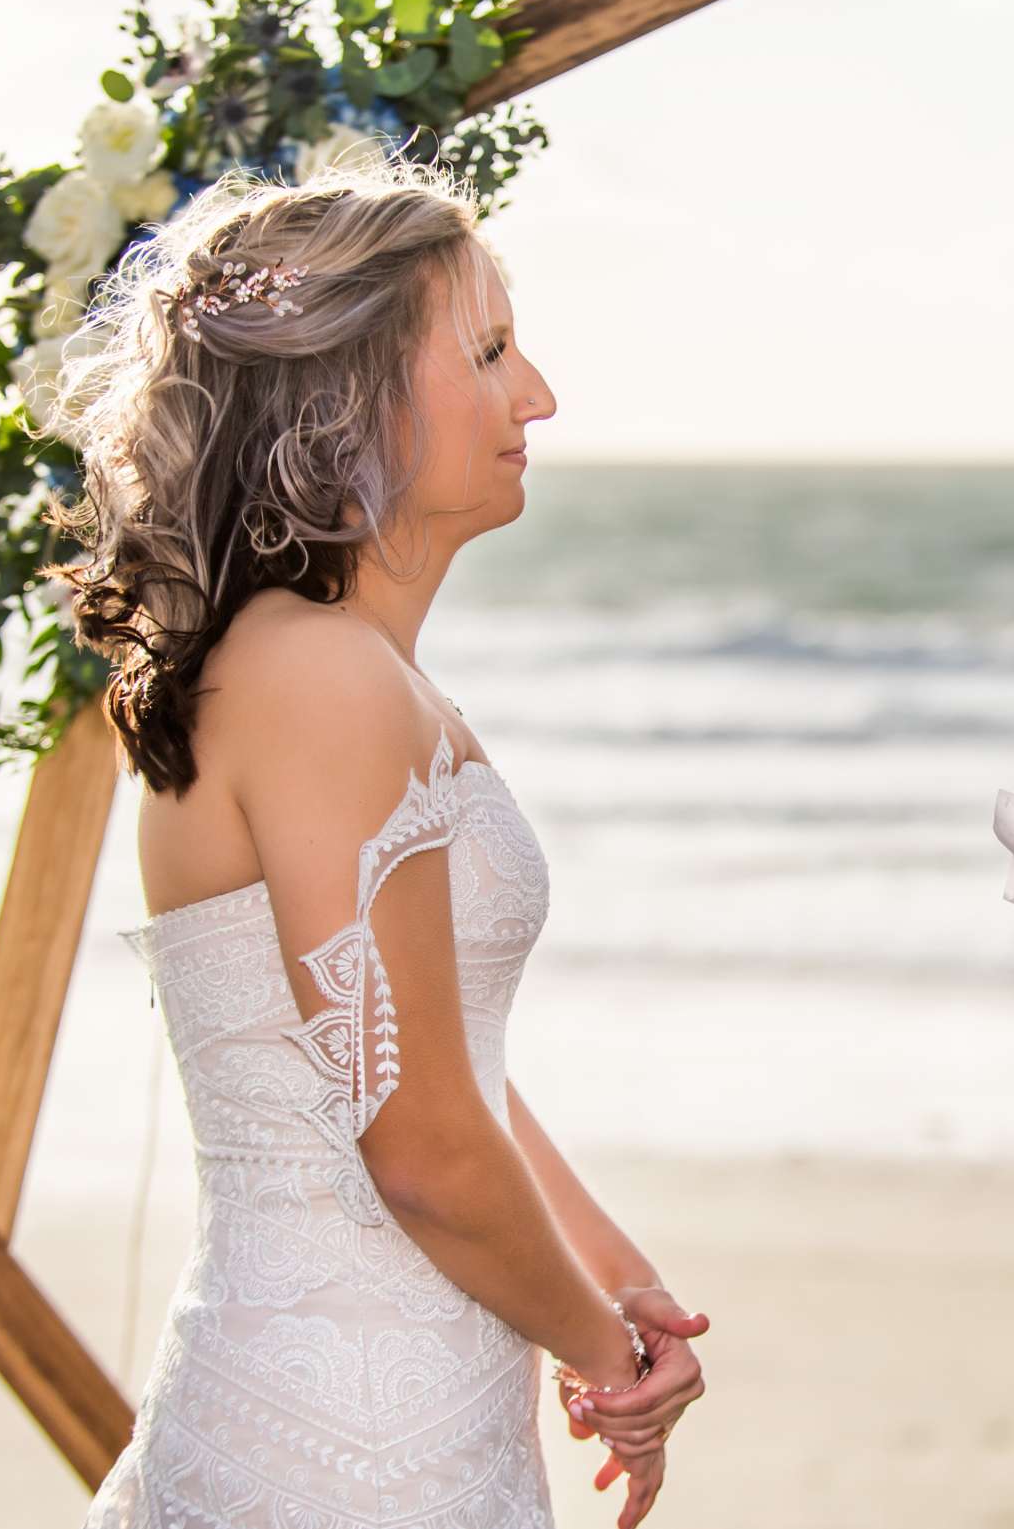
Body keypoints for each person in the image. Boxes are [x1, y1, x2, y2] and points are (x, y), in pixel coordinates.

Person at [40, 156, 704, 1529]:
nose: (540, 395)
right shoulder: (320, 677)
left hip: (387, 1418)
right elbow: (420, 1149)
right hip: (340, 1453)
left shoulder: (329, 670)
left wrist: (611, 1267)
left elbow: (420, 1052)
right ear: (355, 396)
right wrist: (602, 1356)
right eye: (491, 351)